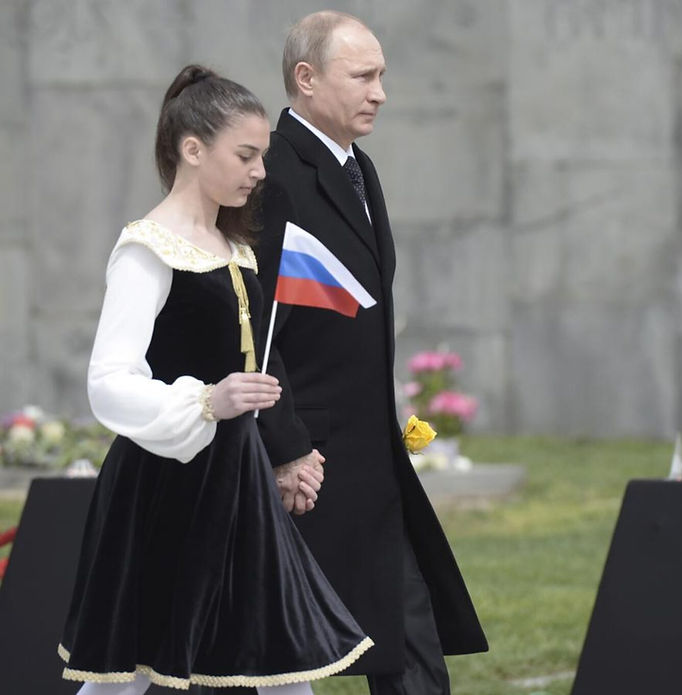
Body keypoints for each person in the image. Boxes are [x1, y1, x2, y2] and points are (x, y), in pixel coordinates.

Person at [58, 65, 373, 695]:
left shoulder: (238, 247)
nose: (261, 171)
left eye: (262, 156)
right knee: (128, 668)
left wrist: (287, 451)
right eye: (248, 155)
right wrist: (207, 400)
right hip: (165, 483)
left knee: (282, 651)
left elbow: (259, 362)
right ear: (193, 149)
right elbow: (109, 379)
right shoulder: (147, 249)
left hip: (239, 476)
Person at [255, 11, 488, 695]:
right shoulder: (270, 174)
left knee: (409, 636)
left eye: (382, 74)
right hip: (308, 468)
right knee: (254, 656)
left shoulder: (360, 167)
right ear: (306, 79)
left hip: (369, 460)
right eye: (363, 75)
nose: (380, 91)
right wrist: (287, 446)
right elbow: (252, 328)